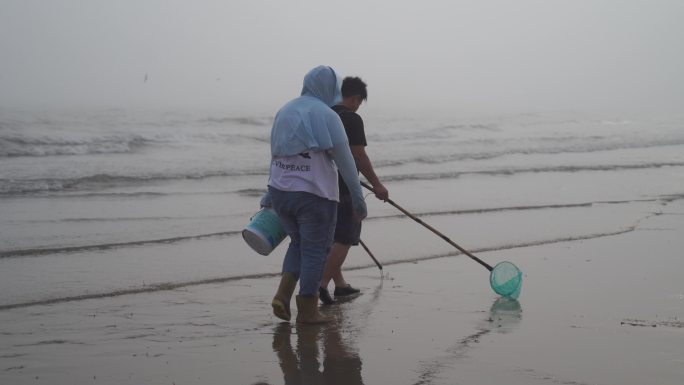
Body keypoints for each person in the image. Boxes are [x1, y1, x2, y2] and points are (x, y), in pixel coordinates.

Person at [264, 66, 367, 324]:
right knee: (314, 251)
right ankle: (308, 311)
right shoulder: (327, 115)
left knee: (298, 243)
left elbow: (275, 154)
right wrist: (358, 199)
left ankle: (283, 294)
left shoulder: (284, 110)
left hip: (281, 193)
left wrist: (268, 196)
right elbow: (346, 162)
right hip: (314, 196)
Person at [319, 77, 389, 305]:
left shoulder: (324, 116)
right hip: (344, 187)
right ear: (355, 98)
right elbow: (358, 155)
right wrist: (377, 185)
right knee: (345, 238)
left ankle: (340, 286)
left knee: (330, 237)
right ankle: (320, 286)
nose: (358, 105)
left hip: (318, 185)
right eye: (359, 100)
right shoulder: (351, 118)